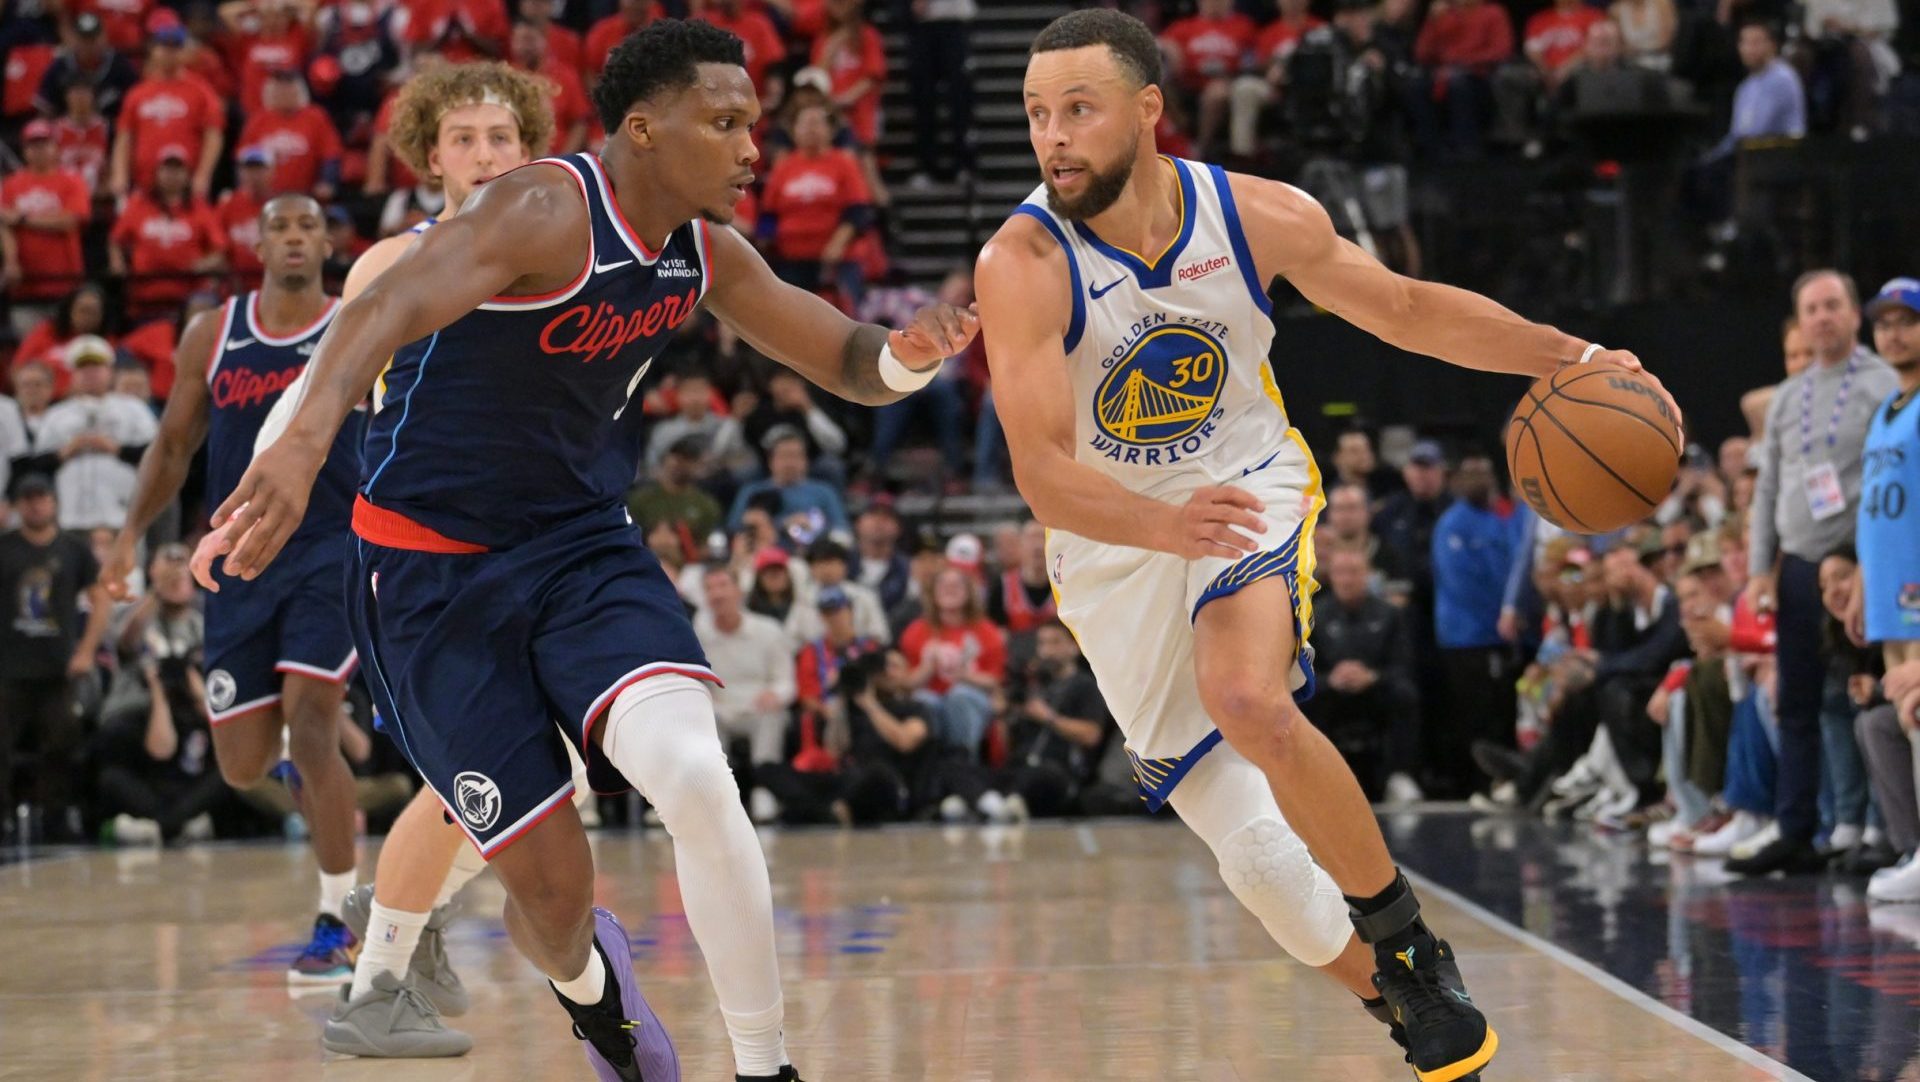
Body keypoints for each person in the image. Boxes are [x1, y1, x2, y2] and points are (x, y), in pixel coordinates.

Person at [205, 22, 974, 1081]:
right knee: (555, 900)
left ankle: (766, 1066)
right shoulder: (541, 207)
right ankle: (595, 999)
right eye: (727, 122)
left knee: (699, 776)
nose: (755, 147)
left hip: (577, 548)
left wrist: (907, 354)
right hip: (430, 573)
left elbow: (845, 356)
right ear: (645, 131)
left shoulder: (703, 250)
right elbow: (378, 308)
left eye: (753, 123)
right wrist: (295, 445)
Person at [972, 11, 1679, 1079]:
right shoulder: (1021, 260)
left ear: (1149, 110)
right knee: (1257, 860)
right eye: (1037, 114)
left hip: (1244, 482)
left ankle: (1409, 939)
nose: (1054, 136)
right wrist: (1161, 525)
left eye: (1079, 108)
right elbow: (1041, 474)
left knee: (1247, 696)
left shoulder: (1253, 214)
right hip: (1113, 540)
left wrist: (1568, 352)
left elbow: (1401, 308)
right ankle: (1397, 995)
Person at [192, 61, 559, 1059]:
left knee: (530, 763)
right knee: (478, 766)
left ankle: (403, 914)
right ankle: (382, 962)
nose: (485, 155)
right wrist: (242, 506)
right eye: (465, 138)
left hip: (531, 543)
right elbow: (311, 394)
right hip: (418, 553)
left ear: (530, 148)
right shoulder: (393, 263)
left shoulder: (562, 253)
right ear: (430, 154)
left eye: (501, 137)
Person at [101, 190, 367, 987]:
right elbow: (175, 445)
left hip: (331, 550)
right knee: (243, 764)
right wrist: (125, 536)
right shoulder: (213, 333)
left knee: (312, 723)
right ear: (255, 243)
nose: (293, 237)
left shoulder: (358, 320)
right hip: (241, 557)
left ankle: (338, 917)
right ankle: (316, 785)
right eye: (279, 226)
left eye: (308, 226)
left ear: (327, 243)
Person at [1737, 270, 1896, 876]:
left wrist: (1860, 561)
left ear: (1855, 315)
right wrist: (1760, 569)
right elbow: (1770, 484)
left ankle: (1883, 828)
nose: (1823, 317)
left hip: (1859, 564)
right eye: (1812, 309)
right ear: (1799, 322)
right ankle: (1795, 826)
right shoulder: (1787, 397)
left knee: (1870, 693)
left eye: (1833, 306)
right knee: (1797, 704)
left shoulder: (1882, 383)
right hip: (1799, 565)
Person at [1851, 277, 1920, 897]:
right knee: (1899, 714)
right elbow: (1875, 507)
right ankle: (1915, 848)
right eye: (1885, 323)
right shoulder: (1885, 411)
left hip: (1916, 583)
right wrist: (1860, 580)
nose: (1894, 333)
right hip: (1887, 583)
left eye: (1907, 320)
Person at [93, 543, 227, 845]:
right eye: (168, 565)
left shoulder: (206, 625)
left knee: (226, 769)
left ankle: (159, 823)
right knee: (111, 766)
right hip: (137, 723)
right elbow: (127, 643)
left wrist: (192, 682)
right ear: (152, 572)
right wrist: (157, 590)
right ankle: (179, 822)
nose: (177, 572)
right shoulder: (134, 614)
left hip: (190, 727)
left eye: (183, 565)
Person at [0, 475, 108, 843]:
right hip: (8, 669)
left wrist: (86, 649)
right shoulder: (4, 548)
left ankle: (55, 818)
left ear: (54, 502)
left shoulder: (74, 550)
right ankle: (3, 820)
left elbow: (101, 599)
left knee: (63, 742)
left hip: (58, 669)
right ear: (16, 506)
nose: (34, 504)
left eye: (41, 497)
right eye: (26, 498)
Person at [1309, 545, 1420, 803]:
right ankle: (1314, 776)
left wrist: (1372, 676)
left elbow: (1403, 664)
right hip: (1331, 692)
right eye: (1340, 572)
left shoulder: (1389, 614)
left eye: (1354, 572)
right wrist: (1331, 679)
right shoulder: (1314, 615)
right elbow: (1301, 668)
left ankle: (1399, 775)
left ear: (1367, 575)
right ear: (1331, 576)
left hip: (1375, 689)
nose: (1347, 579)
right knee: (1304, 697)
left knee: (1404, 694)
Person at [695, 565, 798, 824]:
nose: (717, 595)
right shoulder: (697, 637)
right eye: (710, 588)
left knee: (772, 716)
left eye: (723, 586)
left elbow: (786, 681)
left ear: (738, 591)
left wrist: (775, 695)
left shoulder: (769, 631)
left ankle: (765, 790)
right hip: (719, 709)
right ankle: (718, 796)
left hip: (759, 708)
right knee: (704, 720)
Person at [33, 336, 158, 533]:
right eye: (83, 368)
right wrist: (66, 451)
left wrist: (116, 448)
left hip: (123, 515)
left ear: (110, 371)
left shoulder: (133, 409)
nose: (90, 374)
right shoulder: (56, 414)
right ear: (73, 374)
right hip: (69, 516)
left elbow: (155, 456)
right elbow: (37, 464)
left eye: (96, 367)